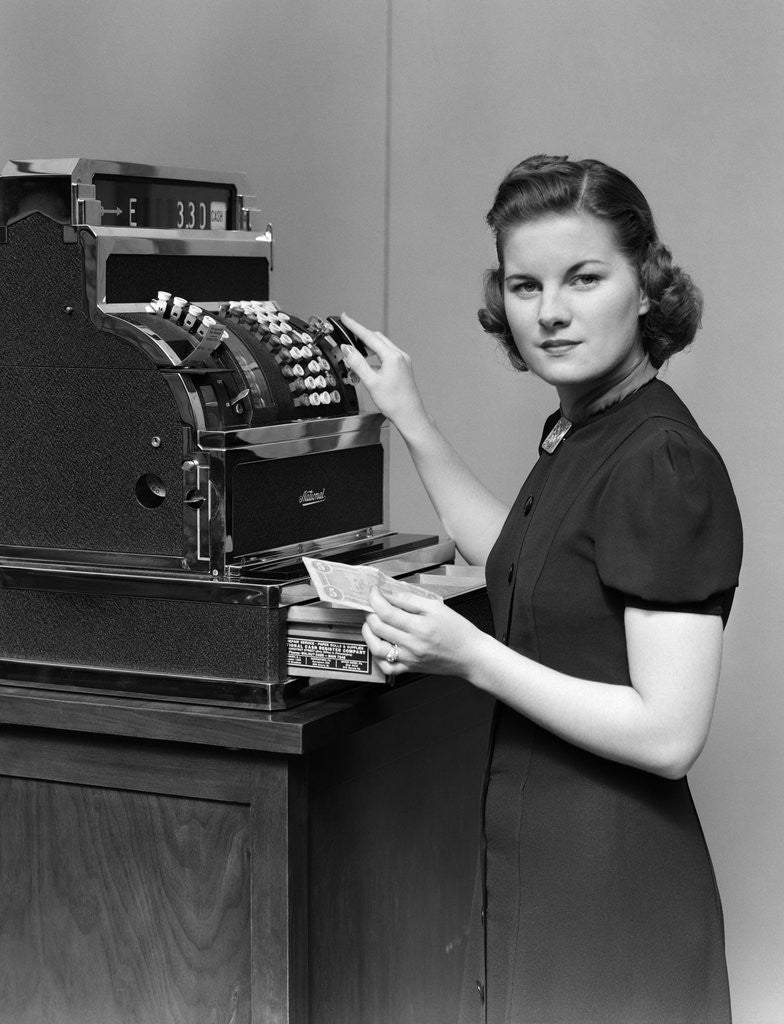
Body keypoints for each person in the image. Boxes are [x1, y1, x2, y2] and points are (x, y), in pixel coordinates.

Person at [339, 154, 743, 1024]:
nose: (550, 312)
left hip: (613, 893)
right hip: (544, 866)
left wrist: (470, 655)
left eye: (584, 277)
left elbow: (670, 735)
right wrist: (410, 416)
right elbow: (519, 557)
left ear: (646, 286)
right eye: (525, 286)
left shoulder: (661, 461)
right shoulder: (586, 428)